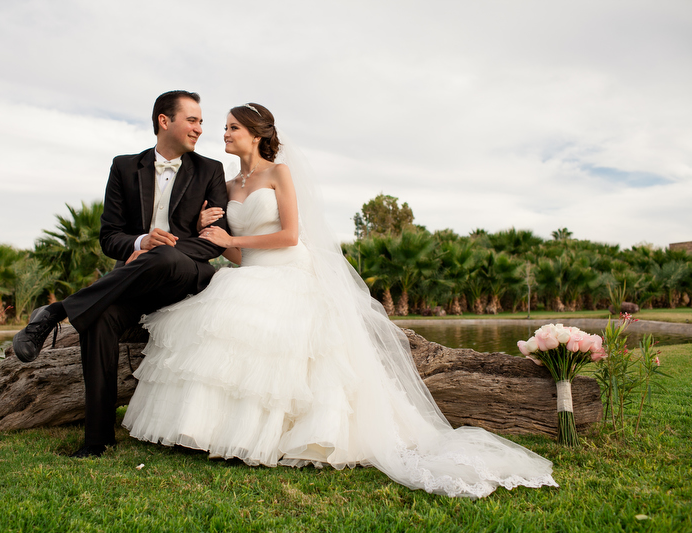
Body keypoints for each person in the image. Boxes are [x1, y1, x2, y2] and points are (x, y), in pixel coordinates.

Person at [122, 103, 559, 497]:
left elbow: (291, 235)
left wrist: (232, 235)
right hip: (248, 271)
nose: (224, 133)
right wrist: (212, 234)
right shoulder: (229, 183)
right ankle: (217, 434)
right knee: (218, 339)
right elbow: (238, 253)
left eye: (233, 127)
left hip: (290, 270)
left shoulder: (279, 174)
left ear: (256, 135)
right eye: (225, 127)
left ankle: (291, 435)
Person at [12, 90, 229, 458]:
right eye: (192, 120)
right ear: (165, 120)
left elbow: (214, 244)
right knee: (99, 320)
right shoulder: (125, 167)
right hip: (135, 279)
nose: (200, 129)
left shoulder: (210, 171)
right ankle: (97, 440)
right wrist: (141, 242)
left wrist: (165, 248)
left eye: (201, 122)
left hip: (185, 277)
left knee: (164, 258)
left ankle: (55, 312)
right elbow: (109, 237)